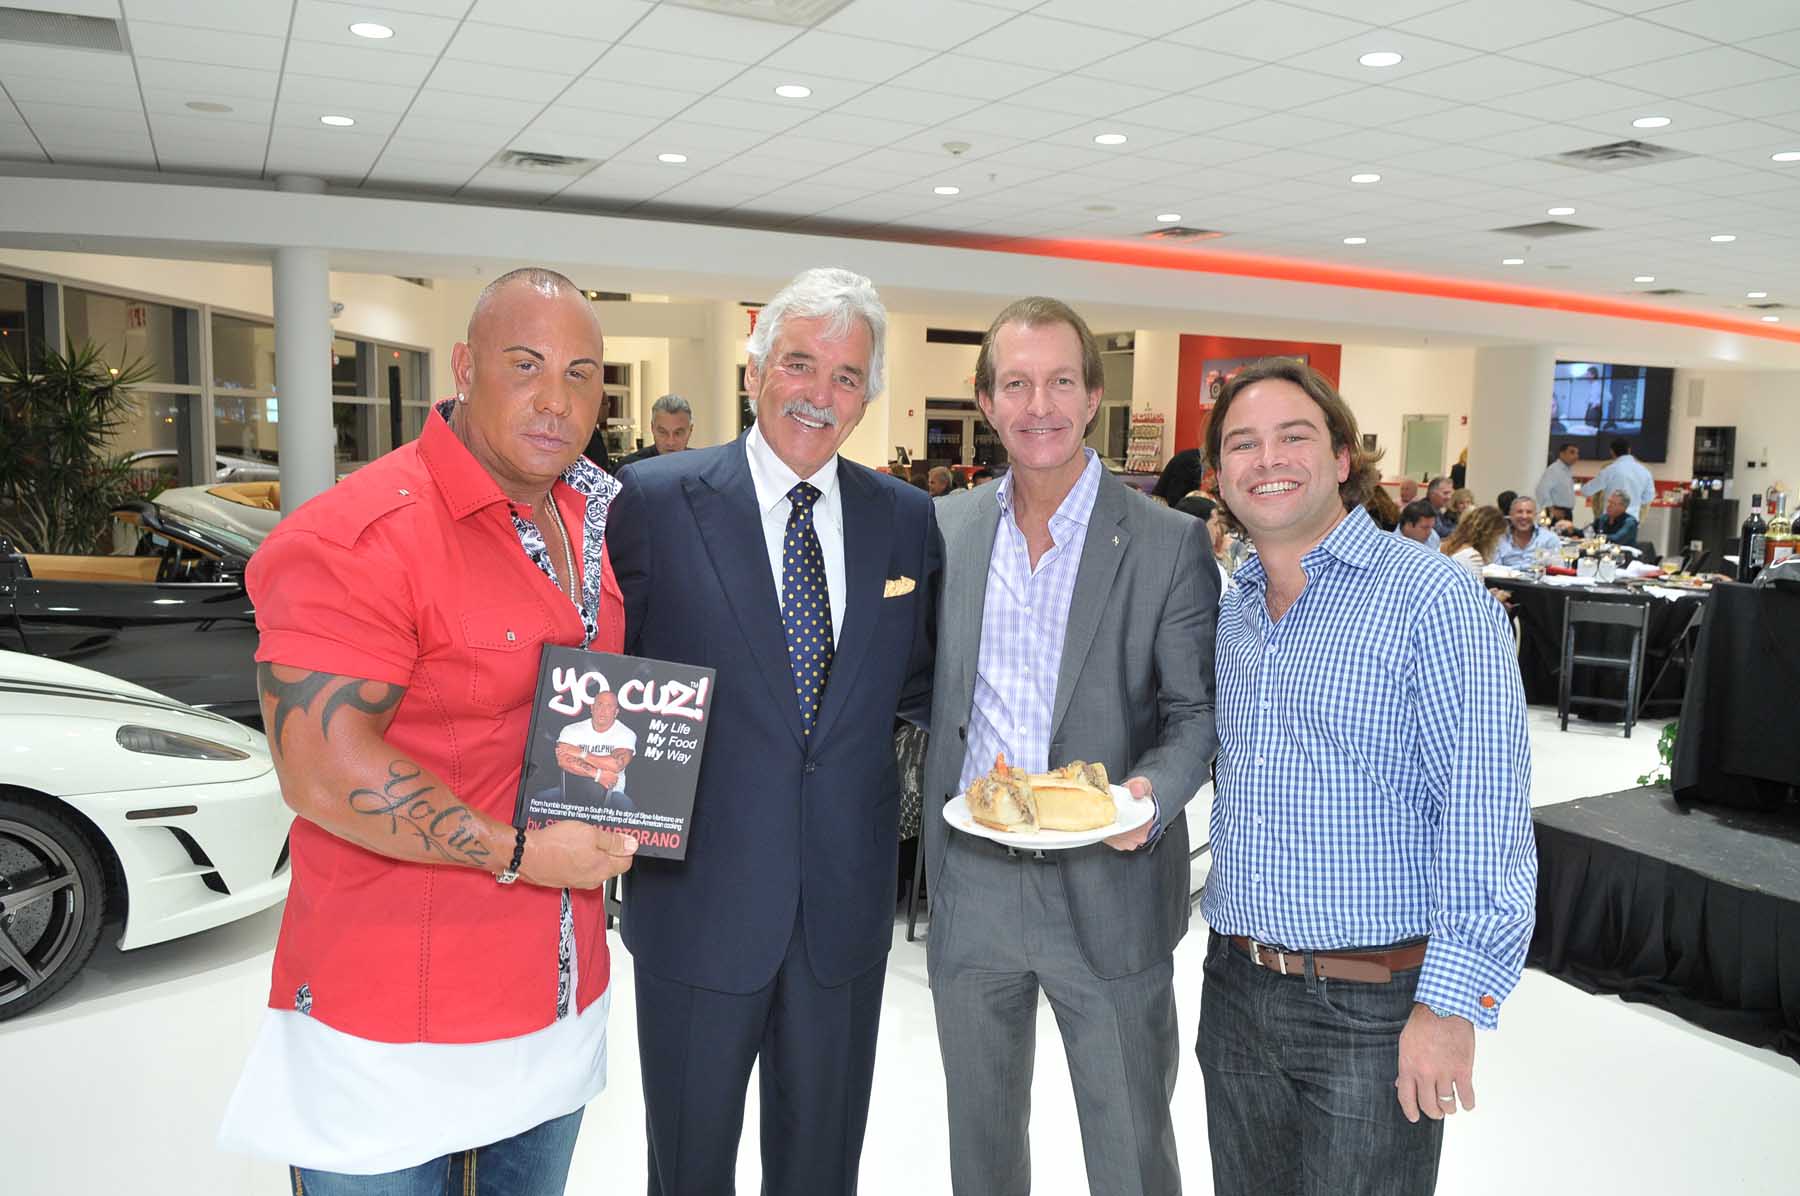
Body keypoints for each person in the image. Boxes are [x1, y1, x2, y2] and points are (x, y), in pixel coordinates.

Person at [218, 268, 641, 1193]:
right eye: (525, 365)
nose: (555, 399)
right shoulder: (359, 536)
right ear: (463, 367)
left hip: (558, 999)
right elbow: (321, 771)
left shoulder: (596, 517)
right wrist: (525, 853)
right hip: (391, 1028)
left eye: (580, 374)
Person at [604, 267, 941, 1196]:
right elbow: (608, 677)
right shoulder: (654, 501)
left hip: (842, 918)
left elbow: (917, 683)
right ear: (753, 371)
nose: (819, 394)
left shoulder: (905, 520)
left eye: (846, 376)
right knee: (689, 1171)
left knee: (823, 1173)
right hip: (697, 911)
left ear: (867, 397)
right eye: (799, 364)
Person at [1199, 358, 1535, 1196]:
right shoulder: (1236, 609)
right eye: (1242, 443)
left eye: (1294, 436)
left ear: (1343, 456)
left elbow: (1486, 813)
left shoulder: (1431, 598)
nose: (1267, 459)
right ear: (1219, 475)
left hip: (1374, 1008)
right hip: (1235, 989)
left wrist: (1450, 1007)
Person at [921, 296, 1216, 1196]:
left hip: (1111, 880)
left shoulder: (1168, 543)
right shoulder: (945, 530)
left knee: (1131, 1155)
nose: (1038, 405)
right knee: (981, 1153)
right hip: (974, 882)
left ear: (1093, 397)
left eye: (1059, 382)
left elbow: (1196, 714)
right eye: (1015, 384)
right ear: (985, 401)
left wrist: (1146, 800)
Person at [555, 688, 637, 806]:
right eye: (599, 704)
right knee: (541, 798)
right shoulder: (571, 730)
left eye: (609, 706)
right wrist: (598, 775)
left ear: (616, 712)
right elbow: (563, 760)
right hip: (570, 790)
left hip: (610, 793)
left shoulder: (626, 734)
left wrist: (581, 753)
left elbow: (616, 765)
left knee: (625, 805)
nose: (603, 710)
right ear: (592, 708)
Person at [1588, 436, 1657, 521]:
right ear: (1629, 450)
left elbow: (1597, 496)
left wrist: (1597, 516)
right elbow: (1646, 501)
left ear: (1612, 451)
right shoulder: (1644, 470)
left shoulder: (1608, 468)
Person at [618, 393, 694, 467]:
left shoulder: (699, 465)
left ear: (690, 430)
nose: (670, 442)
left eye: (678, 433)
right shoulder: (630, 468)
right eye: (663, 432)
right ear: (652, 428)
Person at [1494, 495, 1562, 570]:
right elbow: (1493, 570)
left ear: (1535, 515)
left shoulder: (1549, 539)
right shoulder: (1499, 539)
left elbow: (1558, 569)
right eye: (1519, 512)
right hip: (1505, 577)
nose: (1524, 516)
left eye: (1529, 512)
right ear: (1511, 515)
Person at [1440, 505, 1507, 578]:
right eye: (1498, 536)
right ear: (1490, 535)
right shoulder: (1472, 557)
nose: (1498, 541)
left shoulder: (1445, 545)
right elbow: (1475, 585)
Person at [1535, 443, 1579, 522]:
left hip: (1566, 512)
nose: (1576, 456)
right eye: (1572, 452)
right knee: (1547, 530)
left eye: (1577, 453)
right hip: (1553, 512)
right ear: (1562, 454)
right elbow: (1541, 490)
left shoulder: (1567, 471)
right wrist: (1551, 509)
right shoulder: (1554, 470)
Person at [1427, 475, 1457, 539]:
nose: (1449, 497)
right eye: (1445, 493)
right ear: (1432, 494)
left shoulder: (1439, 508)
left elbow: (1449, 525)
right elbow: (1441, 532)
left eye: (1450, 493)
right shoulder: (1424, 509)